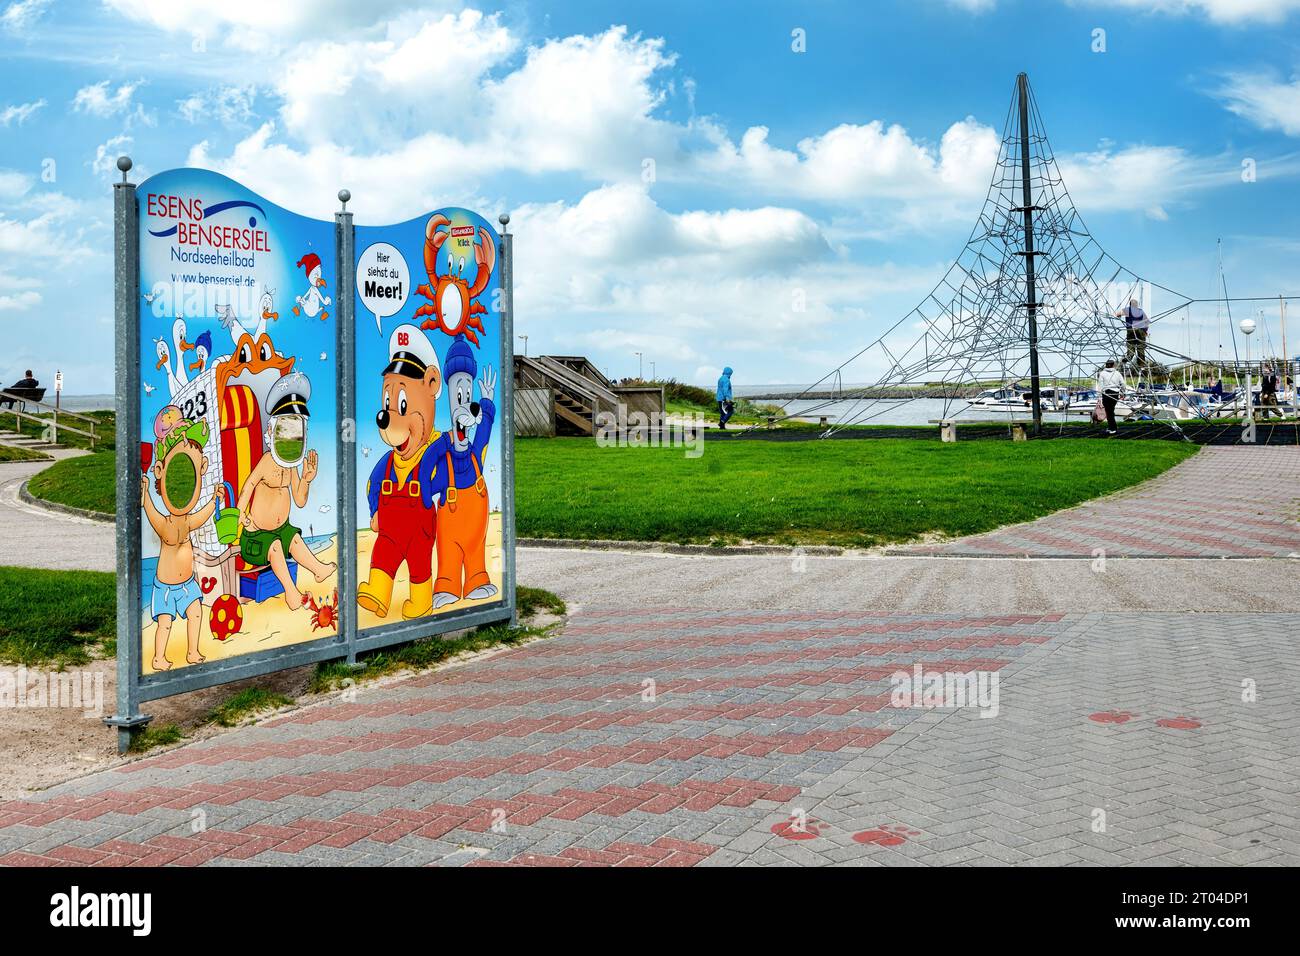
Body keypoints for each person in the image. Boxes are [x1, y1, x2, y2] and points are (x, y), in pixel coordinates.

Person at [237, 373, 335, 610]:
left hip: (281, 531)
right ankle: (291, 593)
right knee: (276, 547)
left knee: (294, 539)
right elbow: (248, 485)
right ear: (271, 434)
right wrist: (241, 516)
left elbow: (300, 500)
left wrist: (308, 479)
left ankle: (318, 570)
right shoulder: (266, 461)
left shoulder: (290, 466)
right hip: (257, 537)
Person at [1115, 299, 1149, 373]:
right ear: (1137, 305)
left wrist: (1119, 316)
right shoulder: (1141, 311)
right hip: (1141, 330)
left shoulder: (1127, 310)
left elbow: (1117, 314)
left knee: (1131, 346)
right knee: (1140, 347)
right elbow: (1147, 321)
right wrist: (1146, 331)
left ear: (1130, 304)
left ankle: (1128, 358)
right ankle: (1142, 365)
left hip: (1131, 330)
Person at [1097, 359, 1126, 435]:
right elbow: (1122, 384)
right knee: (1110, 411)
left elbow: (1100, 385)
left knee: (1109, 411)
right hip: (1115, 393)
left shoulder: (1102, 373)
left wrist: (1100, 395)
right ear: (1113, 365)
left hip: (1106, 393)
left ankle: (1113, 428)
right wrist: (1123, 392)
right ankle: (1112, 427)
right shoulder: (1117, 373)